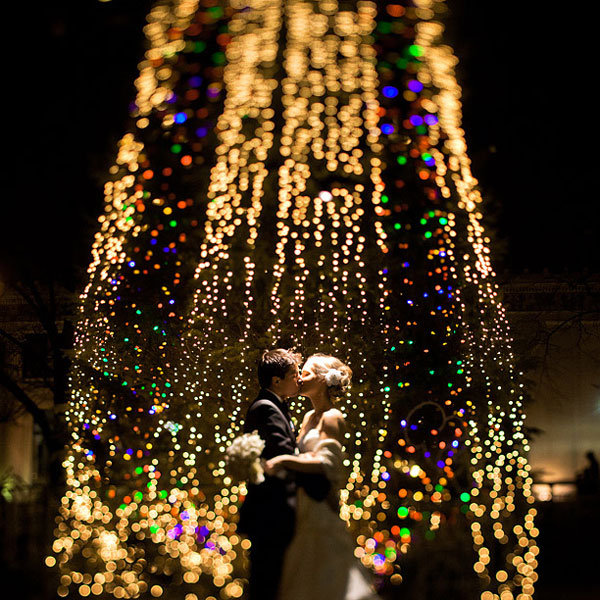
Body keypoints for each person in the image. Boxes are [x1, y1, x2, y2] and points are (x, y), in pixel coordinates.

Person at [264, 353, 378, 600]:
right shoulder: (307, 418)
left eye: (306, 373)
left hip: (319, 506)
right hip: (302, 505)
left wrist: (283, 461)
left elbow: (328, 463)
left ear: (325, 380)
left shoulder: (332, 417)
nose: (299, 377)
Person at [237, 348, 302, 600]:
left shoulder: (275, 405)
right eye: (294, 374)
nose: (299, 379)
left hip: (273, 512)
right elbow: (281, 455)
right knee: (267, 582)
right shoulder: (267, 408)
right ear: (277, 380)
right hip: (271, 511)